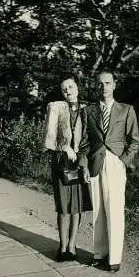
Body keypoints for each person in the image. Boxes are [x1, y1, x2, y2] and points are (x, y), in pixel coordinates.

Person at [81, 70, 139, 272]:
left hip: (116, 163)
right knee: (98, 209)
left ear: (115, 84)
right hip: (95, 164)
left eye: (107, 83)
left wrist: (123, 160)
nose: (103, 87)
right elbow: (84, 142)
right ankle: (99, 254)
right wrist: (84, 165)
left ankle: (114, 258)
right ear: (95, 86)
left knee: (114, 209)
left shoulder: (126, 110)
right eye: (99, 83)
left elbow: (134, 140)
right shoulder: (88, 111)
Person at [43, 74, 93, 262]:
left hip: (80, 163)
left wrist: (82, 160)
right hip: (61, 162)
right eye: (64, 88)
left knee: (77, 207)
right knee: (64, 207)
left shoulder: (86, 109)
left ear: (77, 88)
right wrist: (64, 147)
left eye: (71, 87)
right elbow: (49, 138)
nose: (68, 91)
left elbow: (89, 139)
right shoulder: (55, 107)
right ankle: (62, 246)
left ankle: (72, 245)